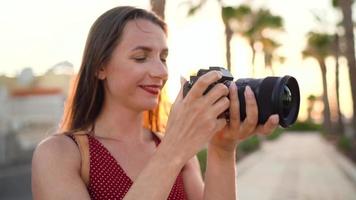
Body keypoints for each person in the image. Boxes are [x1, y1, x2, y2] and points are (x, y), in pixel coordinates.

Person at [31, 6, 279, 200]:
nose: (161, 71)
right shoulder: (60, 154)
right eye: (141, 57)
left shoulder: (172, 147)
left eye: (163, 57)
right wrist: (172, 152)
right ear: (100, 67)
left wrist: (223, 150)